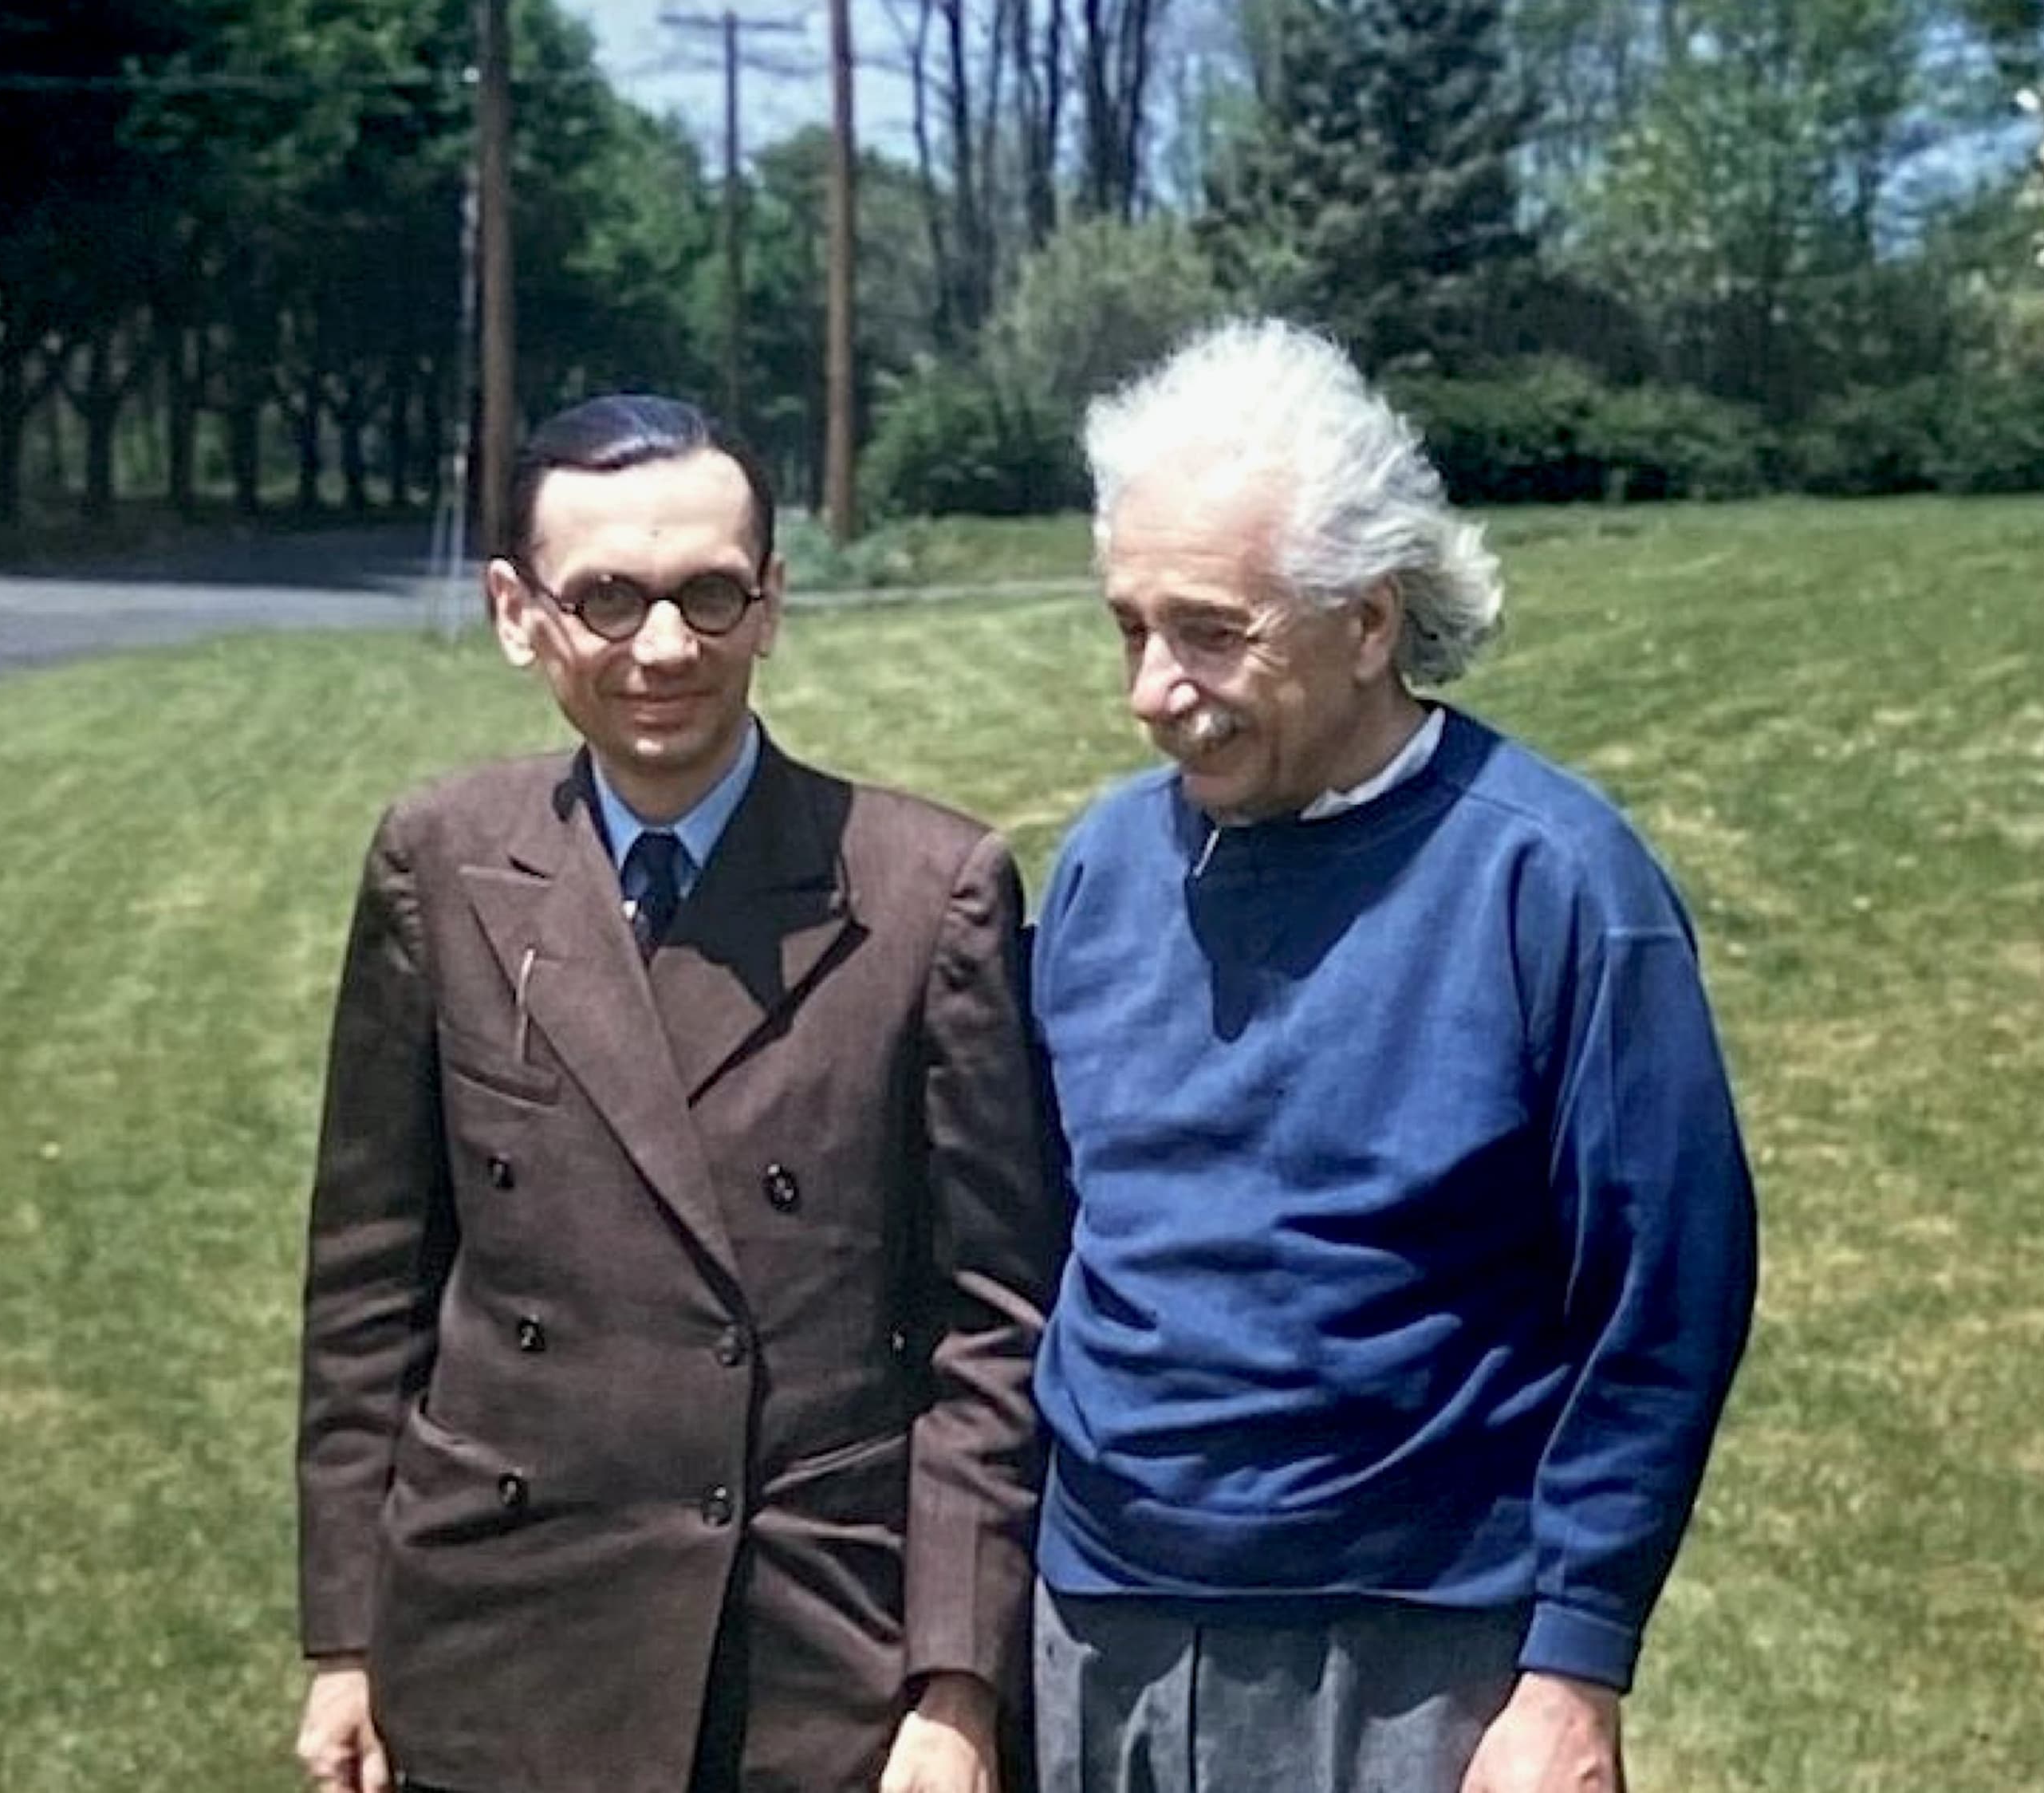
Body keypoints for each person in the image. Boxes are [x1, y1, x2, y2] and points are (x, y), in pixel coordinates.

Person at [1023, 320, 1758, 1793]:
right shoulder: (1103, 866)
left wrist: (1575, 1670)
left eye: (1211, 631)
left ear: (1367, 621)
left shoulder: (1553, 885)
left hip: (1410, 1650)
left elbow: (1666, 1298)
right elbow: (1028, 1239)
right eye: (1130, 628)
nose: (1153, 690)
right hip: (1091, 1622)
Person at [293, 395, 1063, 1793]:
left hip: (806, 1658)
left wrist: (955, 1687)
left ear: (771, 606)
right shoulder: (440, 858)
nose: (665, 649)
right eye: (609, 598)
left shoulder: (921, 892)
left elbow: (992, 1326)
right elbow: (369, 1287)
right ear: (518, 613)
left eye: (711, 595)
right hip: (497, 1643)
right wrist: (347, 1637)